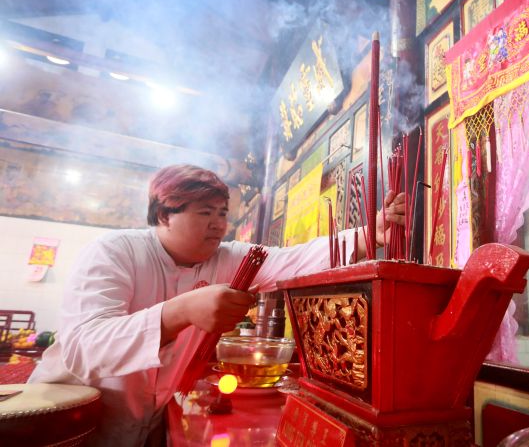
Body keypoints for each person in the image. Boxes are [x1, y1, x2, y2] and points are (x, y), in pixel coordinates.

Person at [28, 164, 405, 446]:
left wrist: (370, 234)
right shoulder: (115, 252)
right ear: (164, 215)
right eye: (204, 213)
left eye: (222, 213)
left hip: (146, 424)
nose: (218, 224)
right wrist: (181, 311)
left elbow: (294, 261)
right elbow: (84, 346)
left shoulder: (227, 257)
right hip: (67, 422)